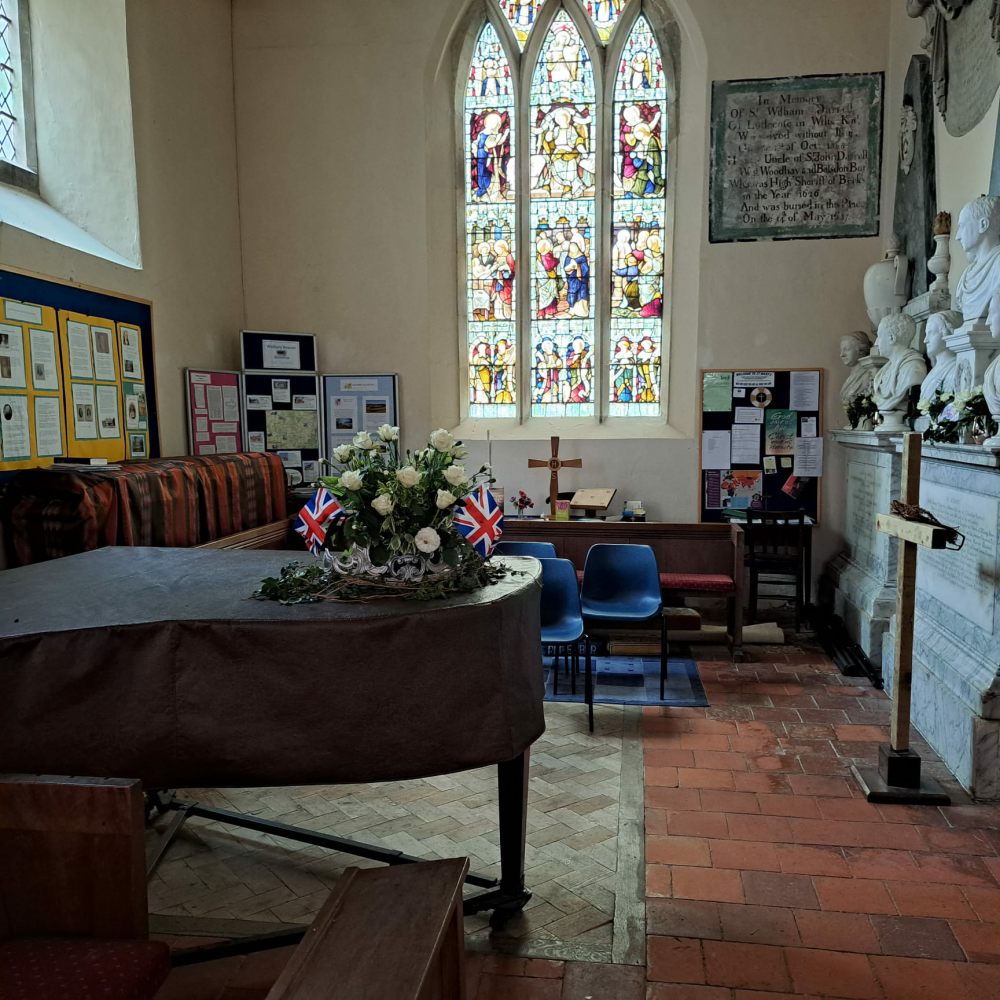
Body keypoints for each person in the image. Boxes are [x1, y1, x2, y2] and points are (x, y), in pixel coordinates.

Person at [954, 195, 1000, 335]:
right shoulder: (967, 275)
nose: (957, 236)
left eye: (962, 226)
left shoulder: (998, 264)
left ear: (983, 225)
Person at [872, 313, 926, 432]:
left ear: (892, 338)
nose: (876, 343)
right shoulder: (884, 371)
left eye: (879, 336)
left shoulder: (914, 367)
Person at [919, 310, 962, 401]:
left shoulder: (955, 369)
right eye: (926, 334)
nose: (925, 340)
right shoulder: (935, 369)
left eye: (931, 333)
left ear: (946, 332)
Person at [563, 240, 590, 318]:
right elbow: (565, 268)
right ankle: (572, 309)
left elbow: (586, 269)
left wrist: (578, 267)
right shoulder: (568, 257)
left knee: (581, 294)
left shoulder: (582, 257)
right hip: (572, 280)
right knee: (572, 293)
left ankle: (581, 312)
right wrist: (570, 270)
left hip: (581, 281)